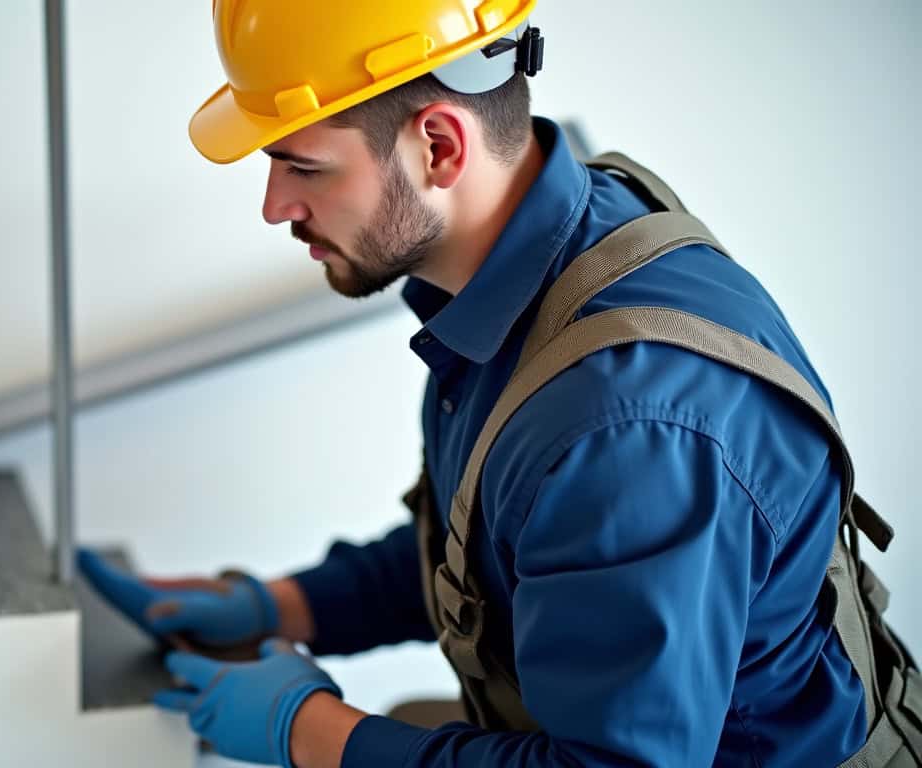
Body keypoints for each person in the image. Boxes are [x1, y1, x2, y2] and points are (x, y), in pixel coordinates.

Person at [78, 2, 921, 766]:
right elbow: (499, 558)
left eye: (302, 167)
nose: (272, 205)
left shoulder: (626, 423)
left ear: (439, 146)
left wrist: (313, 734)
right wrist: (279, 607)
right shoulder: (540, 265)